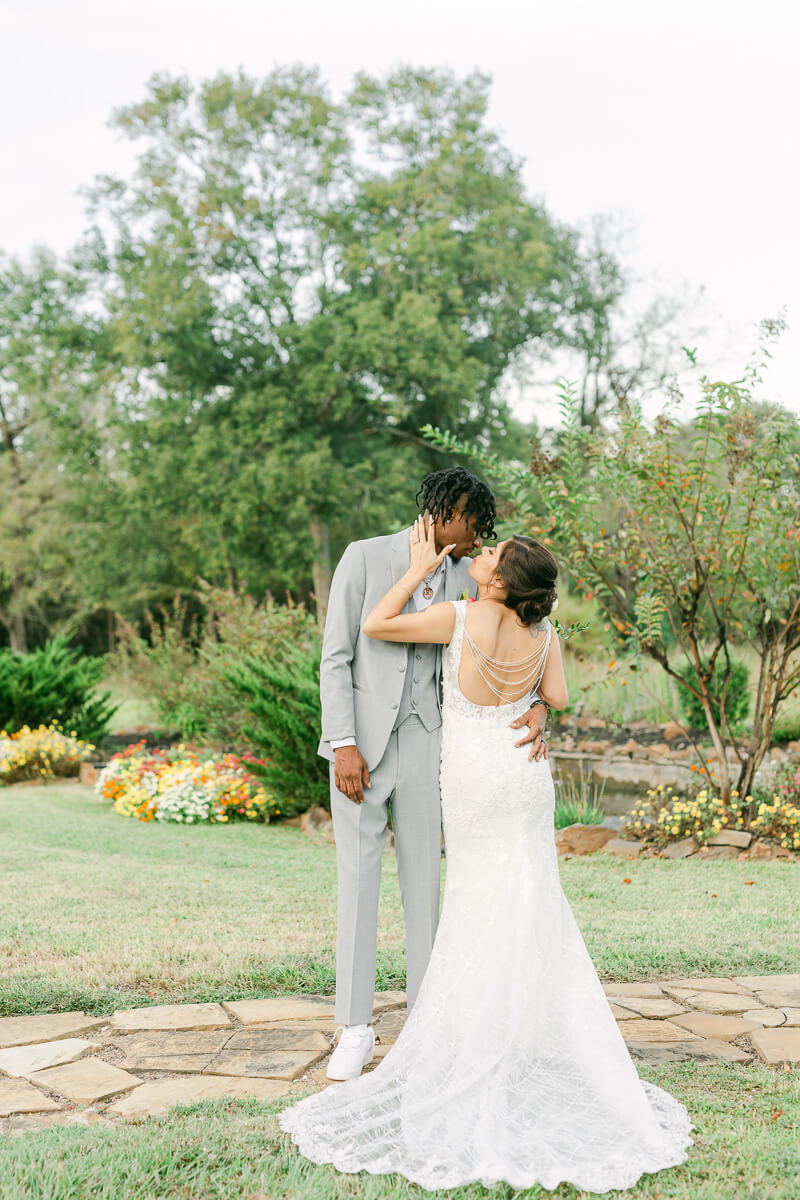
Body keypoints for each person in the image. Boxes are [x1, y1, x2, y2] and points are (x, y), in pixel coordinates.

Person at [280, 520, 692, 1193]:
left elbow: (380, 624)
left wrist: (414, 570)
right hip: (521, 775)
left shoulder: (459, 616)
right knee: (529, 895)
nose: (484, 553)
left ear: (500, 581)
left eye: (493, 554)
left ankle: (475, 1038)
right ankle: (519, 1031)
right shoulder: (544, 633)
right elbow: (554, 697)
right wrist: (532, 708)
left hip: (472, 777)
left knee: (476, 899)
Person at [318, 467, 549, 1081]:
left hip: (432, 749)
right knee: (358, 885)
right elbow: (337, 655)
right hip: (361, 750)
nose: (481, 539)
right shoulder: (364, 559)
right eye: (476, 524)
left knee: (425, 889)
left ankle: (426, 1026)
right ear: (446, 511)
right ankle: (355, 1029)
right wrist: (342, 742)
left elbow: (522, 640)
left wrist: (538, 702)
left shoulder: (474, 580)